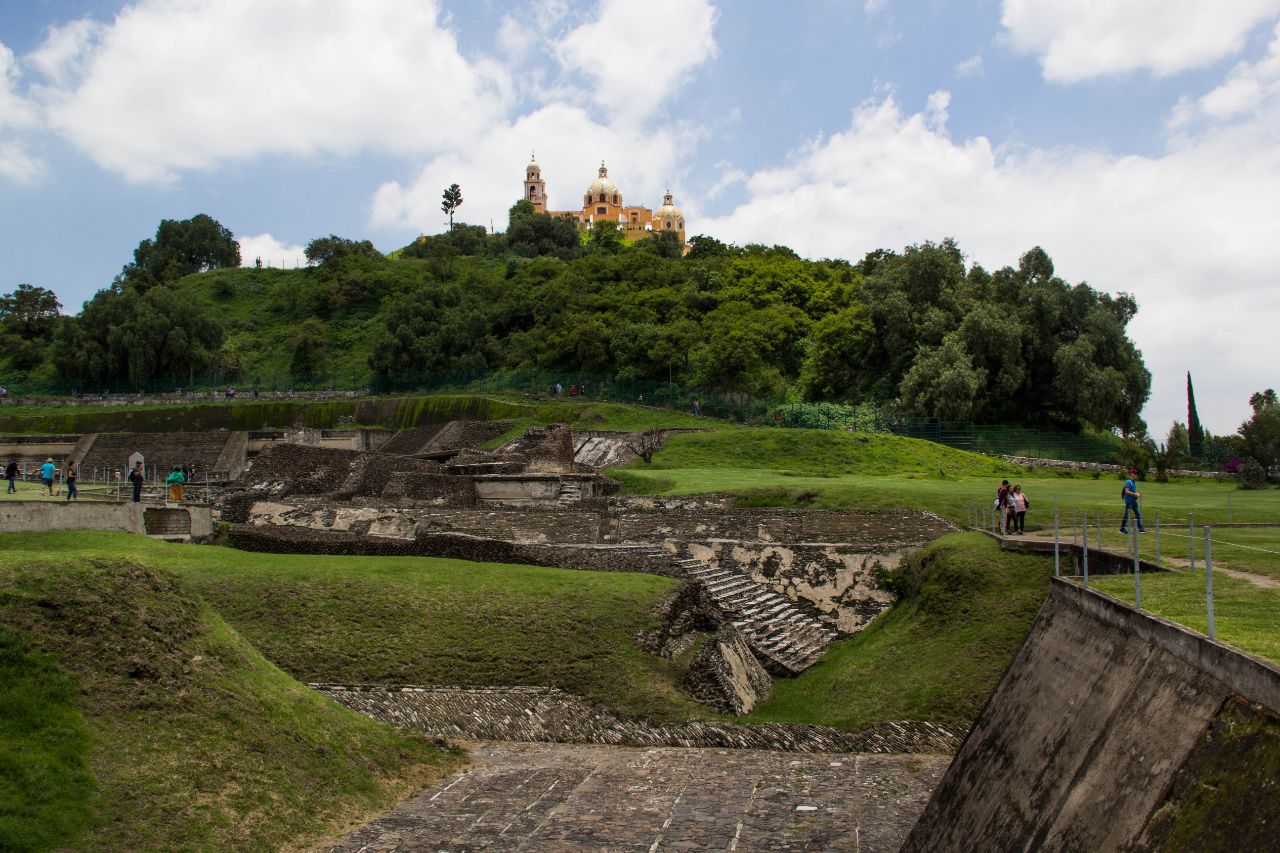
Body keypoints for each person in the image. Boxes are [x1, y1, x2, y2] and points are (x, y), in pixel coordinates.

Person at [1120, 467, 1146, 533]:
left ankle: (1140, 528)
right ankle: (1122, 529)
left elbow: (1132, 490)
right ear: (1131, 474)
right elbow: (1127, 491)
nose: (1136, 475)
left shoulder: (1133, 482)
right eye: (1135, 473)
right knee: (1127, 514)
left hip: (1133, 501)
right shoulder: (1129, 481)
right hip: (1129, 501)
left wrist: (1137, 493)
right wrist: (1135, 494)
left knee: (1138, 513)